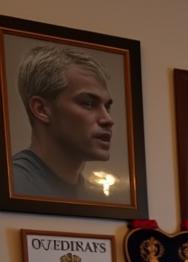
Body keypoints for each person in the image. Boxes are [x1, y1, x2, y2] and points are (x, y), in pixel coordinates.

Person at [12, 45, 114, 200]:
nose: (108, 119)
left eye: (107, 107)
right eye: (88, 103)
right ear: (41, 110)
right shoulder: (14, 183)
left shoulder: (96, 198)